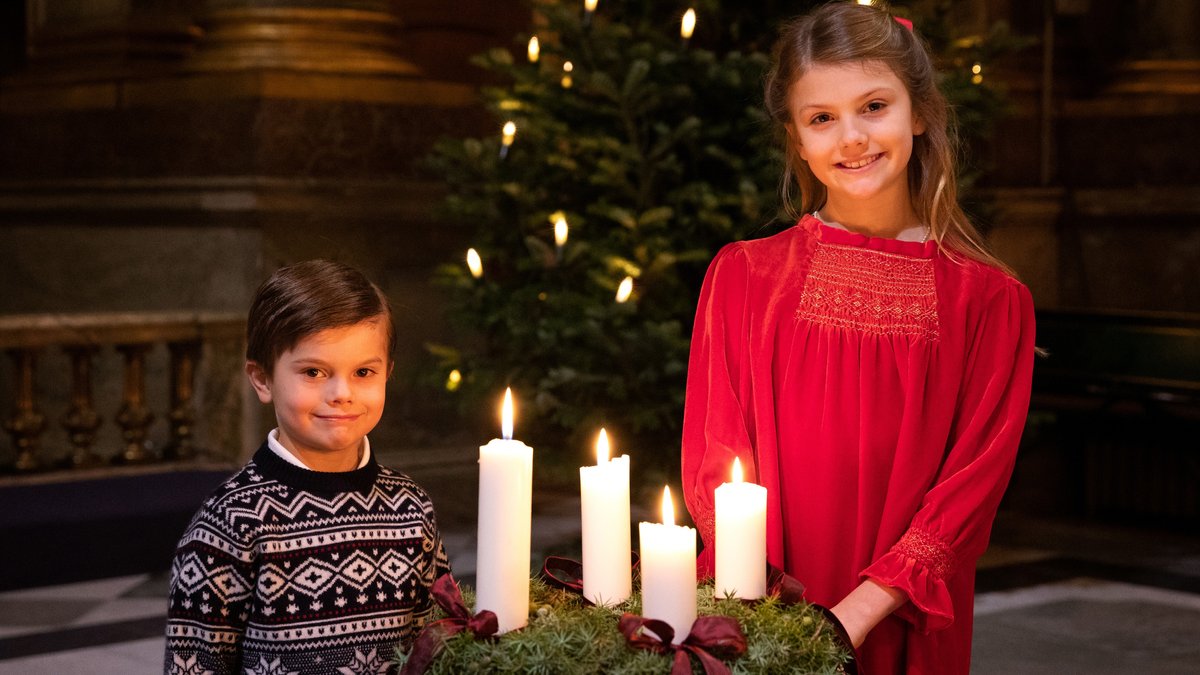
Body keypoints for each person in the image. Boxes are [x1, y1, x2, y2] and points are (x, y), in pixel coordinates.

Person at [681, 3, 1035, 674]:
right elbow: (713, 454)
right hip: (766, 611)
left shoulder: (990, 301)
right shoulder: (746, 277)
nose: (851, 138)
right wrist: (774, 613)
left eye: (873, 106)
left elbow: (973, 482)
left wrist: (856, 614)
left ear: (919, 111)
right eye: (822, 118)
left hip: (901, 616)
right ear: (797, 139)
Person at [165, 260, 451, 675]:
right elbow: (193, 666)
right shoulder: (230, 524)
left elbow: (438, 642)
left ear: (388, 374)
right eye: (314, 372)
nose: (341, 393)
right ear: (262, 379)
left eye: (363, 372)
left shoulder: (411, 506)